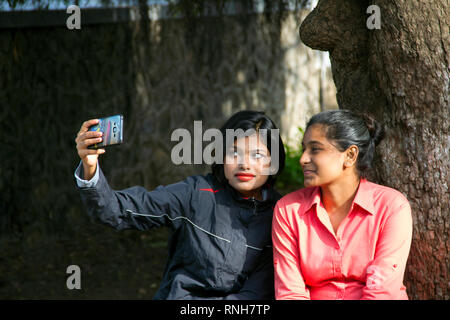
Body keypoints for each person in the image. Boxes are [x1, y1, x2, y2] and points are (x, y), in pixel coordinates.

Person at [74, 110, 285, 299]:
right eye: (234, 152)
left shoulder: (282, 215)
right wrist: (90, 168)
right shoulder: (196, 193)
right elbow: (117, 210)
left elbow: (257, 291)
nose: (244, 164)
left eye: (257, 155)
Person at [272, 109, 413, 300]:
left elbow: (382, 293)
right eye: (304, 148)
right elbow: (290, 293)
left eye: (315, 149)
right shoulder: (288, 210)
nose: (303, 159)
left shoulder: (391, 207)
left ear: (350, 155)